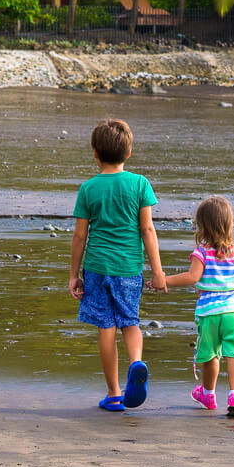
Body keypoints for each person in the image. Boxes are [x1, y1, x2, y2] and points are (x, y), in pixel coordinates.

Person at [70, 119, 167, 412]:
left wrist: (74, 274)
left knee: (105, 326)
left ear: (95, 153)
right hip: (129, 267)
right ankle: (137, 362)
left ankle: (113, 393)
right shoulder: (140, 184)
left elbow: (79, 235)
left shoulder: (88, 188)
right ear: (128, 153)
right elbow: (147, 230)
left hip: (98, 266)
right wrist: (158, 271)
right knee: (130, 320)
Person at [160, 196, 234, 417]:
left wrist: (165, 280)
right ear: (231, 223)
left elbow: (192, 277)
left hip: (210, 313)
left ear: (202, 226)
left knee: (210, 355)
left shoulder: (202, 252)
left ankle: (208, 393)